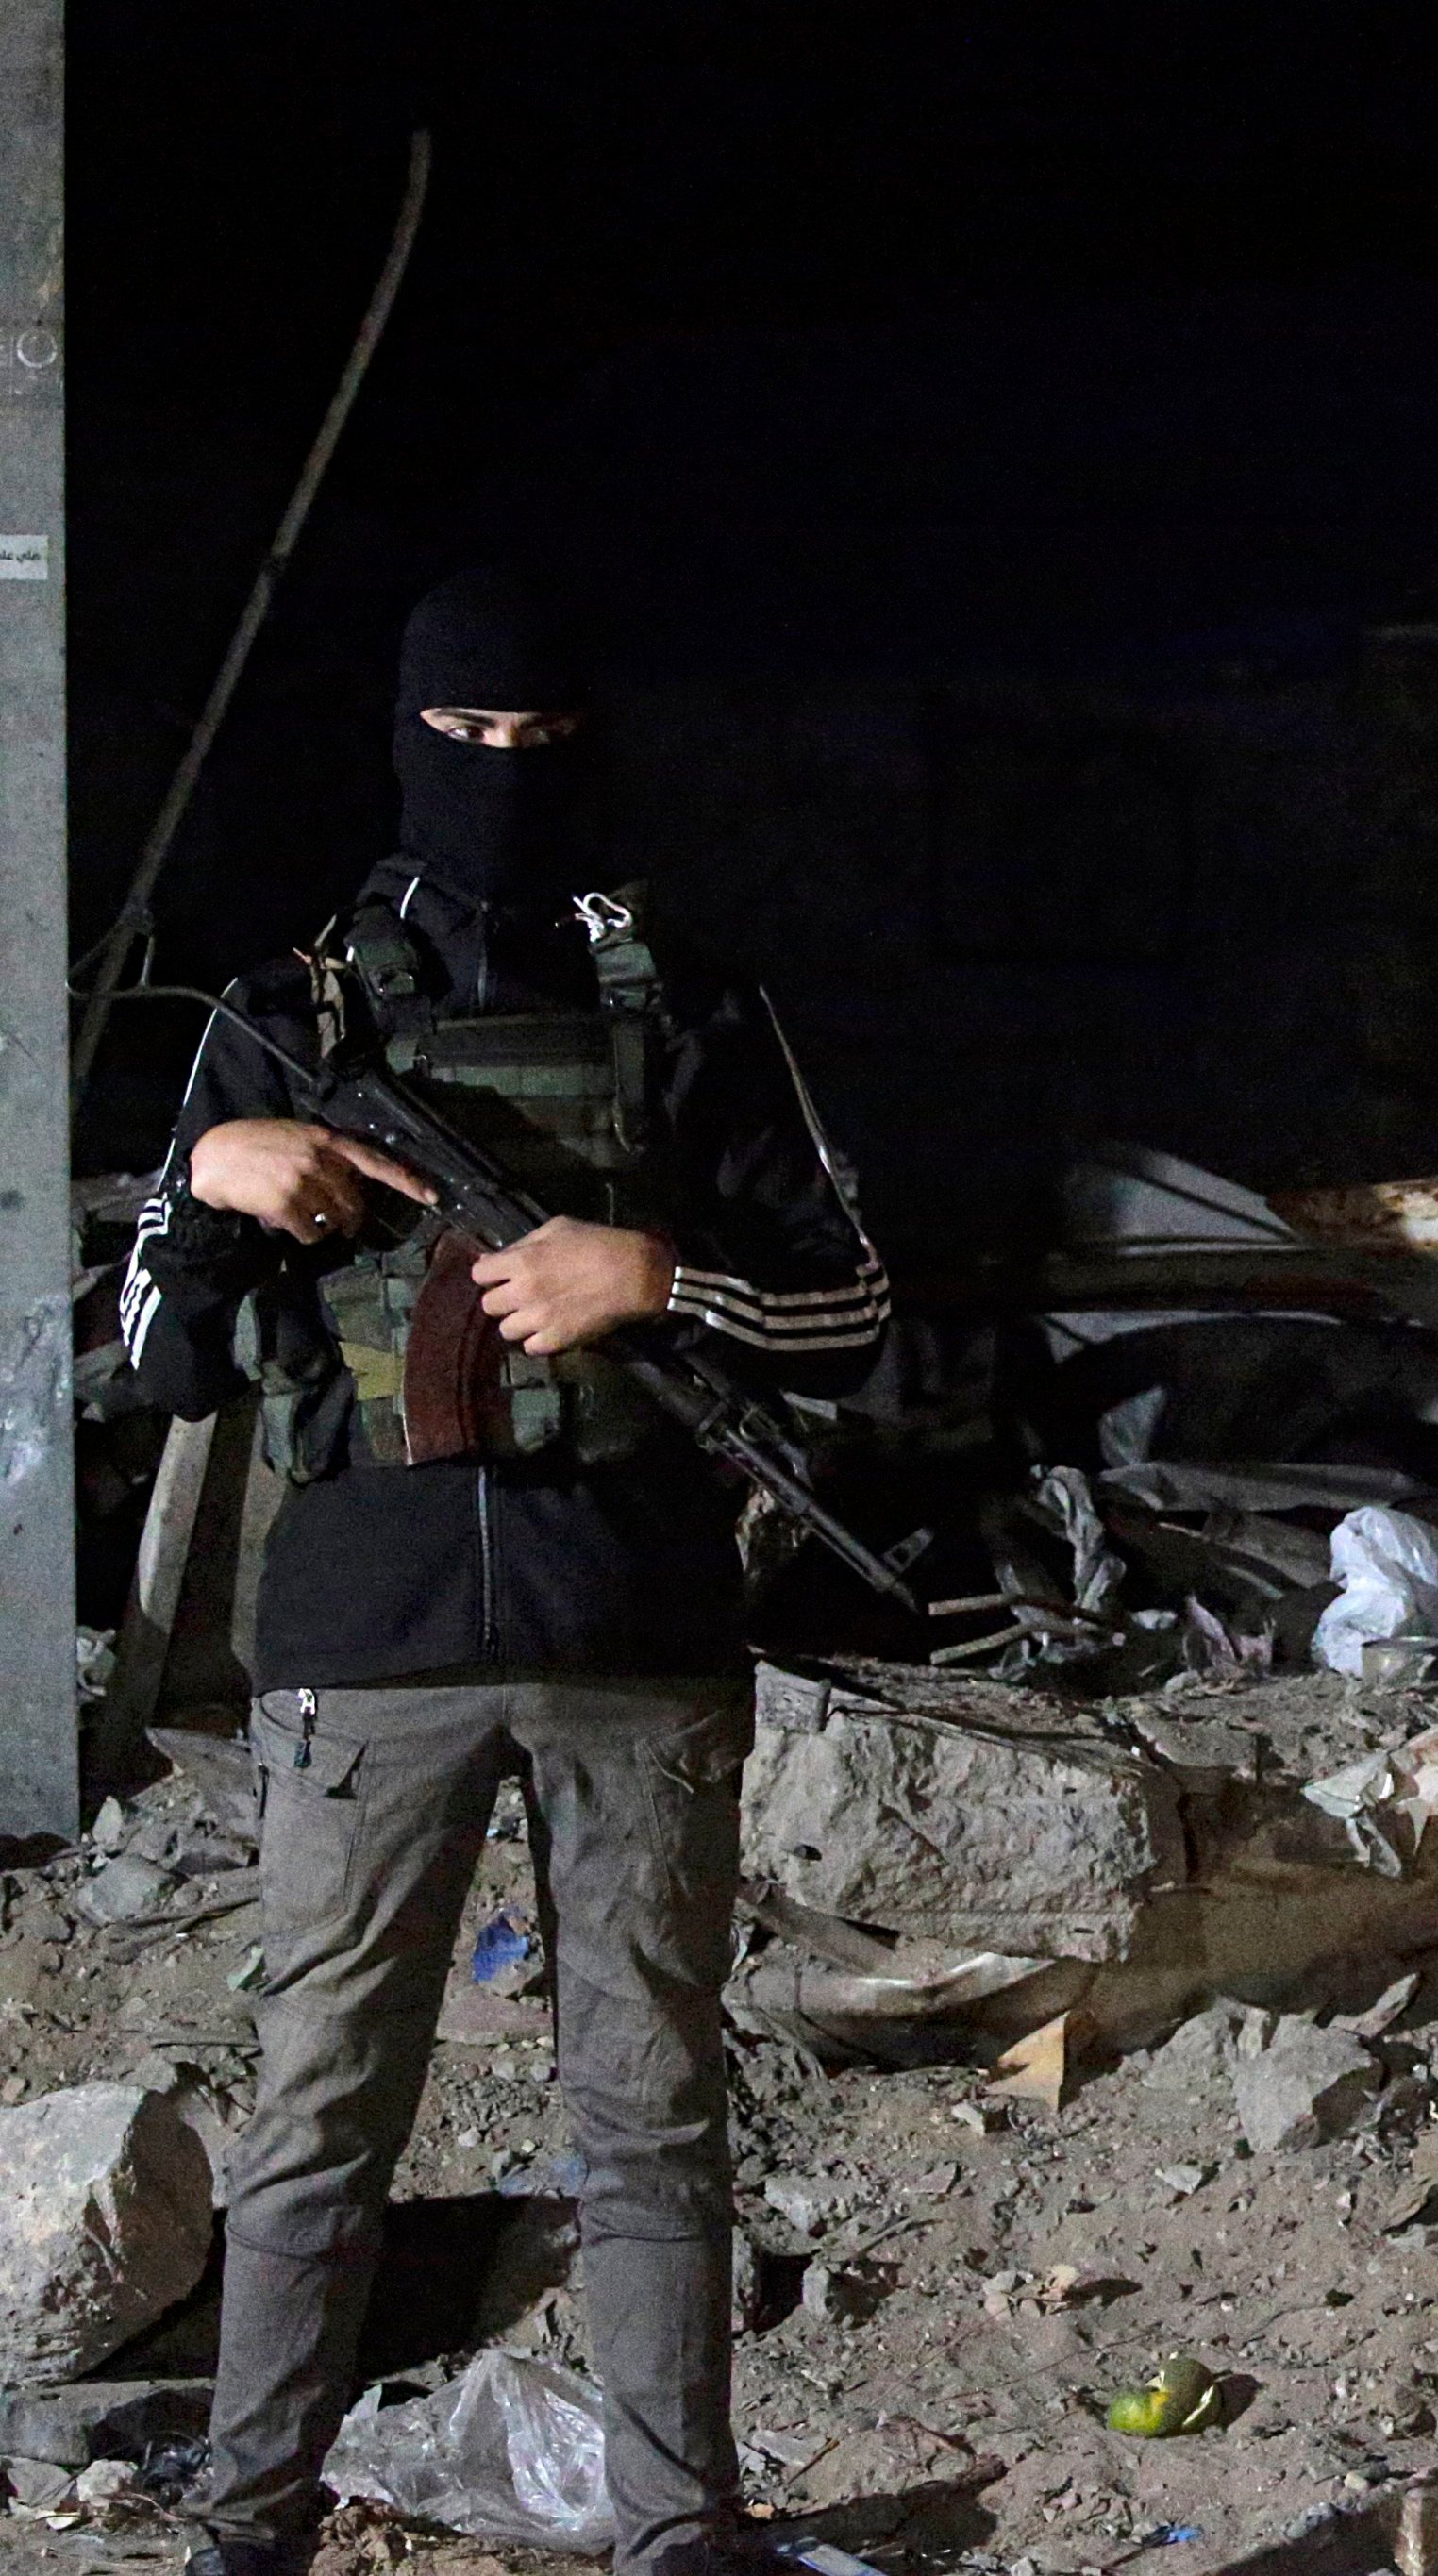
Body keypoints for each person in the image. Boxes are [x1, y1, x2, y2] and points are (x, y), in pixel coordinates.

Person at [121, 568, 893, 2576]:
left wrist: (663, 1278)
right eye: (466, 745)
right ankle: (248, 2522)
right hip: (367, 1651)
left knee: (646, 2121)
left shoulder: (690, 997)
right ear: (403, 738)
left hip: (637, 1632)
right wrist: (203, 1187)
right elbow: (157, 1355)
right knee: (318, 2125)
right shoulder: (282, 1014)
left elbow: (861, 1303)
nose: (504, 782)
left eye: (544, 749)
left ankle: (675, 2528)